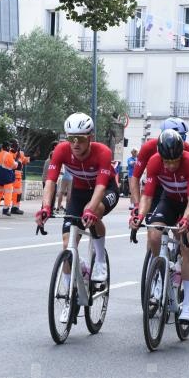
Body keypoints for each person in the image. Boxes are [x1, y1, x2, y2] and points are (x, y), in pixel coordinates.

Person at [35, 112, 120, 290]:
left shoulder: (103, 152)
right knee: (67, 245)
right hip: (80, 192)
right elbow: (50, 181)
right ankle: (70, 291)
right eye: (71, 138)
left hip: (106, 189)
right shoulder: (61, 150)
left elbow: (101, 187)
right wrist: (46, 207)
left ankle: (100, 261)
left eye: (80, 139)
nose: (75, 143)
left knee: (93, 211)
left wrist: (90, 209)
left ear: (90, 138)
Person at [129, 129, 189, 322]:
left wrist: (186, 219)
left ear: (181, 155)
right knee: (154, 234)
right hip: (169, 200)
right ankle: (160, 273)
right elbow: (147, 196)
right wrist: (140, 215)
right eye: (167, 161)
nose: (170, 166)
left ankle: (186, 304)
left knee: (186, 245)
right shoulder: (154, 161)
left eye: (174, 161)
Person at [0, 141, 17, 215]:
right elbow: (14, 165)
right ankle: (5, 209)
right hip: (7, 176)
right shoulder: (8, 155)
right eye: (10, 147)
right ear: (8, 147)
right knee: (8, 193)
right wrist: (17, 163)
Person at [10, 138, 29, 215]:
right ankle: (14, 208)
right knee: (14, 193)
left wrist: (33, 157)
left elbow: (25, 161)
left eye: (17, 144)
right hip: (13, 175)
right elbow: (14, 164)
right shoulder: (10, 153)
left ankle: (15, 207)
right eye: (15, 144)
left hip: (18, 176)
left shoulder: (20, 153)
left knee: (17, 193)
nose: (17, 145)